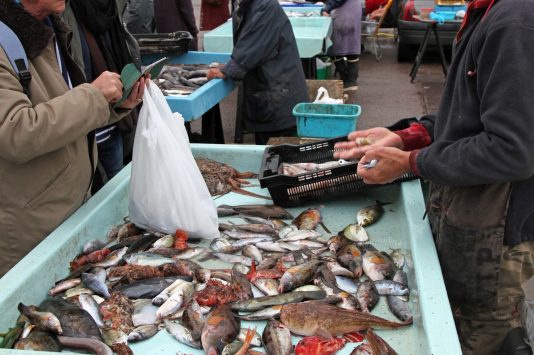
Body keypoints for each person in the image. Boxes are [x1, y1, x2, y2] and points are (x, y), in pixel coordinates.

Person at [333, 0, 534, 354]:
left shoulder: (513, 22)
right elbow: (466, 114)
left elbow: (512, 150)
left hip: (496, 239)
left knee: (481, 335)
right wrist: (405, 136)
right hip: (471, 221)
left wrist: (411, 161)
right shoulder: (485, 11)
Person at [0, 0, 147, 277]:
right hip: (30, 233)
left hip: (67, 215)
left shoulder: (50, 28)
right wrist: (93, 95)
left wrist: (113, 105)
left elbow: (58, 113)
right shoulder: (10, 38)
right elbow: (15, 132)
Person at [63, 0, 141, 193]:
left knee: (118, 194)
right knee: (103, 198)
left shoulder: (110, 8)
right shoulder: (62, 13)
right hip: (84, 129)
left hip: (113, 118)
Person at [207, 0, 308, 145]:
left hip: (277, 92)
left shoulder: (265, 5)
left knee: (274, 153)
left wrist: (228, 69)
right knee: (267, 150)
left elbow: (253, 45)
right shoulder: (245, 4)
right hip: (268, 88)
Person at [322, 0, 362, 98]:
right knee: (352, 46)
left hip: (344, 14)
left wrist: (326, 8)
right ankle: (351, 80)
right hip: (353, 11)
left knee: (333, 48)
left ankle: (347, 80)